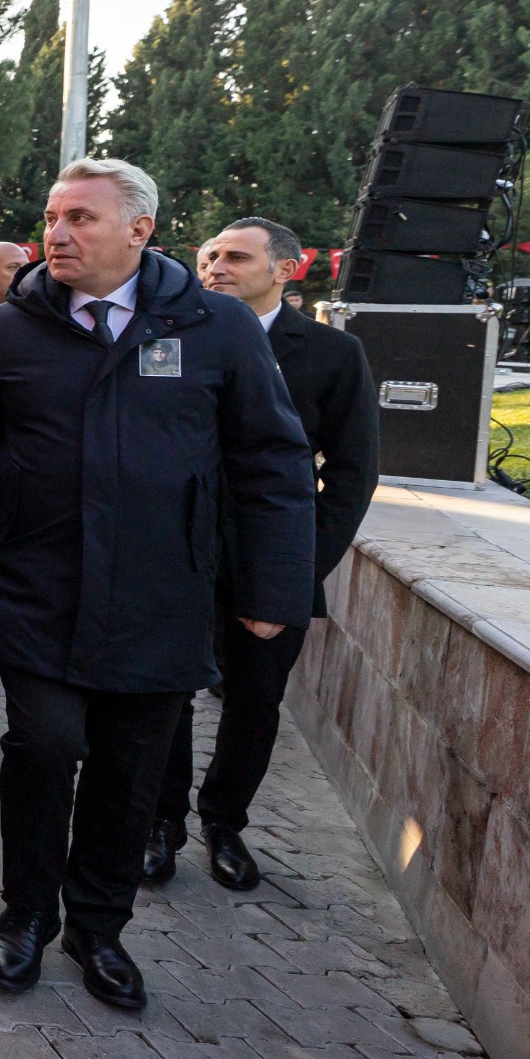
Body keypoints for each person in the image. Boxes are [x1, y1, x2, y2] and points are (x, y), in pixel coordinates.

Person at [0, 159, 313, 1011]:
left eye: (81, 219)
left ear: (140, 230)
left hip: (161, 598)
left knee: (129, 768)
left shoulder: (215, 328)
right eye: (52, 217)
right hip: (37, 591)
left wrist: (273, 591)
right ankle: (25, 912)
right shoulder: (10, 330)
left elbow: (273, 464)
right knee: (42, 748)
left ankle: (98, 927)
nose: (57, 235)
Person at [148, 218, 377, 888]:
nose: (216, 265)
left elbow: (353, 473)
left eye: (236, 256)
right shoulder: (171, 334)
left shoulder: (333, 354)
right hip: (177, 555)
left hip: (271, 561)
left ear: (286, 269)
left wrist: (297, 570)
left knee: (254, 701)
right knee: (164, 694)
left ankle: (224, 821)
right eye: (210, 254)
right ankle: (160, 823)